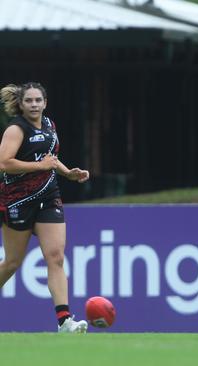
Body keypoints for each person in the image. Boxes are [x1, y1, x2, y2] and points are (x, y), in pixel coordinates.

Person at [0, 82, 90, 333]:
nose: (34, 105)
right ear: (21, 104)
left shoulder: (49, 125)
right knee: (12, 263)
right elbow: (4, 163)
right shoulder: (16, 129)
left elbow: (49, 158)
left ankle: (64, 321)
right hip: (17, 200)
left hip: (49, 197)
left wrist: (67, 173)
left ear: (45, 102)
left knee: (56, 257)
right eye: (29, 101)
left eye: (38, 100)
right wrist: (40, 167)